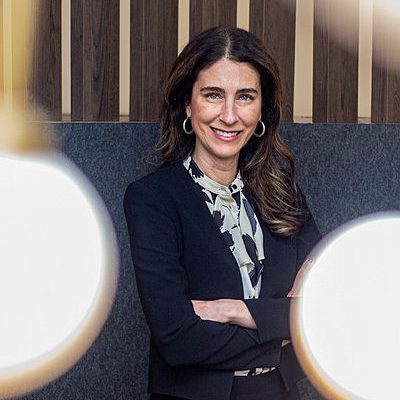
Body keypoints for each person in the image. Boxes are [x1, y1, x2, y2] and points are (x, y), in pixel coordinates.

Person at [123, 27, 322, 400]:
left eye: (245, 97)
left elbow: (324, 309)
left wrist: (235, 311)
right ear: (188, 103)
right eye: (213, 95)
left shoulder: (284, 194)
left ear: (262, 108)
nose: (229, 116)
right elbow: (177, 339)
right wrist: (280, 329)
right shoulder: (152, 200)